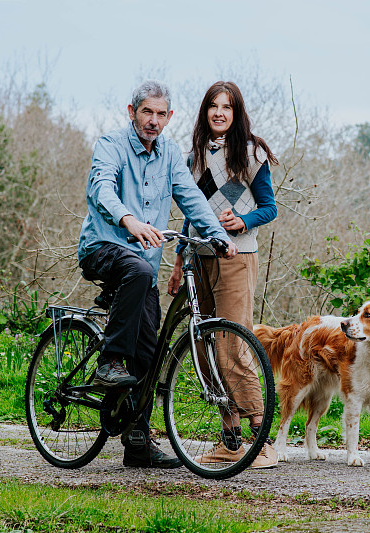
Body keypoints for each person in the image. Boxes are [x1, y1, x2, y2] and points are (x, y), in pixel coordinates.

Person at [78, 80, 238, 469]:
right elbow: (101, 189)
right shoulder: (111, 145)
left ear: (170, 117)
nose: (153, 120)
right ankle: (109, 362)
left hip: (144, 267)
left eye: (160, 114)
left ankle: (136, 440)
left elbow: (191, 198)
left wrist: (218, 235)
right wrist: (128, 219)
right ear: (131, 112)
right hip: (103, 247)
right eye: (146, 112)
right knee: (135, 269)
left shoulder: (169, 154)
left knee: (150, 349)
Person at [167, 81, 279, 469]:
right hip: (199, 260)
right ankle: (230, 442)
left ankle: (262, 442)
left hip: (237, 258)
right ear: (205, 112)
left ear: (236, 113)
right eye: (213, 106)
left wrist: (243, 220)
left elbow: (270, 208)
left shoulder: (251, 153)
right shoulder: (193, 157)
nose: (219, 113)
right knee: (203, 347)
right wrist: (179, 261)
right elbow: (190, 212)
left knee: (233, 346)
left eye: (227, 107)